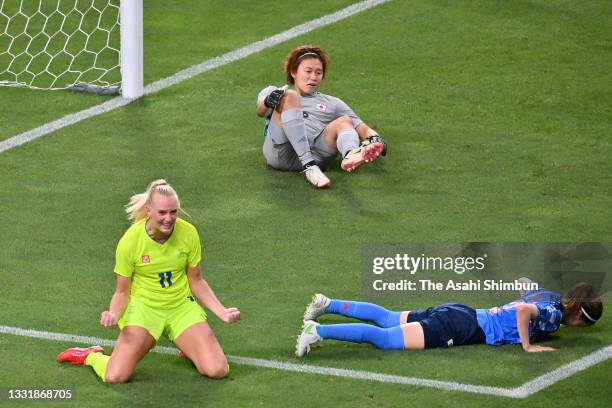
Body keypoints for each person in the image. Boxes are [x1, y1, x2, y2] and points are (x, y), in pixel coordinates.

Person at [57, 179, 240, 382]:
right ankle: (91, 355)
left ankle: (189, 348)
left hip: (180, 307)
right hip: (144, 310)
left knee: (218, 370)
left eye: (173, 212)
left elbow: (196, 281)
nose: (169, 219)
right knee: (115, 376)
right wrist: (114, 315)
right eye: (162, 212)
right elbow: (122, 291)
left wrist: (222, 312)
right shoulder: (130, 241)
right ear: (148, 211)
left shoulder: (189, 233)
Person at [295, 282, 603, 356]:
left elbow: (526, 287)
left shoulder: (549, 296)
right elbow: (524, 311)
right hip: (462, 326)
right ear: (579, 316)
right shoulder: (552, 315)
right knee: (386, 339)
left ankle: (328, 303)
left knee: (389, 318)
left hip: (461, 311)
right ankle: (317, 330)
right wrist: (527, 345)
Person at [256, 45, 388, 189]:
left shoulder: (332, 103)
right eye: (308, 71)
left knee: (345, 121)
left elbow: (362, 128)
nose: (313, 77)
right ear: (293, 71)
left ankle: (350, 154)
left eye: (318, 73)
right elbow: (260, 110)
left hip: (317, 155)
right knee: (290, 96)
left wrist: (376, 140)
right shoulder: (276, 92)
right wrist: (269, 101)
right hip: (281, 153)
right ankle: (309, 167)